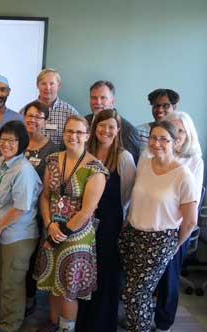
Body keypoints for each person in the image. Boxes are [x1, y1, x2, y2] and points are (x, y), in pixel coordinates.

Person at [119, 121, 197, 332]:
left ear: (175, 143)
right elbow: (136, 196)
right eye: (154, 137)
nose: (157, 143)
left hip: (159, 240)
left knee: (136, 294)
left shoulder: (183, 175)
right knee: (131, 290)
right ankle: (139, 323)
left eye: (164, 139)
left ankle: (140, 327)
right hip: (133, 233)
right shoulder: (145, 162)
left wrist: (176, 245)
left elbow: (190, 220)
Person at [33, 115, 108, 332]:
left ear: (87, 136)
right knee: (52, 285)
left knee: (67, 289)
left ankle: (67, 329)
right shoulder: (53, 160)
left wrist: (62, 232)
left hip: (76, 236)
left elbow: (87, 210)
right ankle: (53, 323)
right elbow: (45, 197)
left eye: (78, 132)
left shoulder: (96, 168)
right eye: (69, 131)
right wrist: (49, 226)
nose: (73, 136)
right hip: (52, 229)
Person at [76, 109, 136, 332]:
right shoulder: (85, 153)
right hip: (83, 222)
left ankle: (101, 324)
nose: (106, 131)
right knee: (84, 271)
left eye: (111, 127)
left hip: (109, 225)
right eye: (102, 126)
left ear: (118, 130)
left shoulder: (123, 157)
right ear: (94, 128)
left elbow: (128, 195)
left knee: (105, 274)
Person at [0, 121, 42, 332]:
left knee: (12, 282)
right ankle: (4, 317)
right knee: (0, 276)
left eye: (12, 140)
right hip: (1, 230)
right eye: (3, 138)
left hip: (18, 234)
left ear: (22, 143)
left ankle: (10, 326)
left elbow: (21, 208)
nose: (6, 143)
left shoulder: (23, 170)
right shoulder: (1, 161)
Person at [153, 111, 203, 332]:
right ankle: (145, 315)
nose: (177, 134)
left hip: (175, 230)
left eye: (181, 130)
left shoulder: (193, 162)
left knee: (169, 280)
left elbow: (191, 203)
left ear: (188, 133)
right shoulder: (154, 156)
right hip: (151, 225)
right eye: (173, 129)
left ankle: (164, 323)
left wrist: (179, 240)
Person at [21, 100, 58, 317]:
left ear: (46, 121)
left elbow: (51, 187)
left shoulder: (52, 149)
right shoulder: (18, 142)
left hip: (37, 213)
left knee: (32, 258)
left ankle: (29, 297)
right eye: (29, 115)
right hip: (14, 212)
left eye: (37, 117)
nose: (32, 120)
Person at [21, 68, 79, 149]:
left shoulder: (70, 113)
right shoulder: (25, 111)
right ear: (37, 85)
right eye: (43, 83)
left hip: (61, 159)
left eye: (51, 84)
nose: (47, 88)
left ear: (58, 85)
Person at [85, 80, 141, 162]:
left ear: (112, 102)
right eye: (94, 98)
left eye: (103, 98)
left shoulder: (129, 131)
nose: (98, 102)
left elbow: (131, 170)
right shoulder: (84, 123)